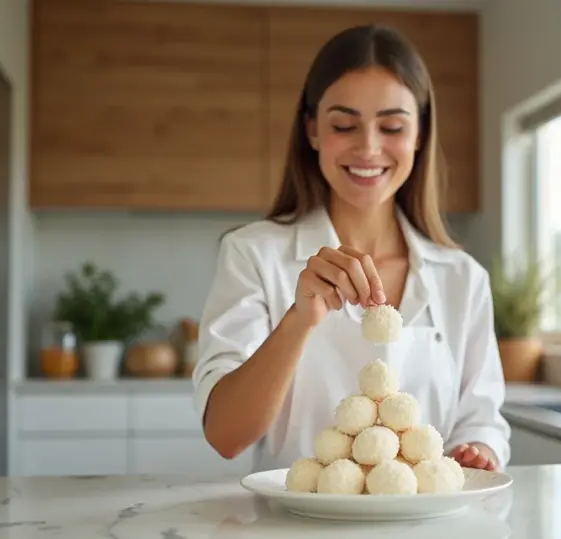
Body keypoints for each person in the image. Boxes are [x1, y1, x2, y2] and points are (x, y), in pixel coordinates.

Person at [192, 23, 511, 474]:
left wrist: (479, 451)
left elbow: (482, 420)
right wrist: (299, 320)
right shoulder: (252, 255)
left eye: (393, 126)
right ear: (312, 131)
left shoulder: (462, 278)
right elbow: (226, 435)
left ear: (419, 134)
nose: (368, 147)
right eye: (344, 125)